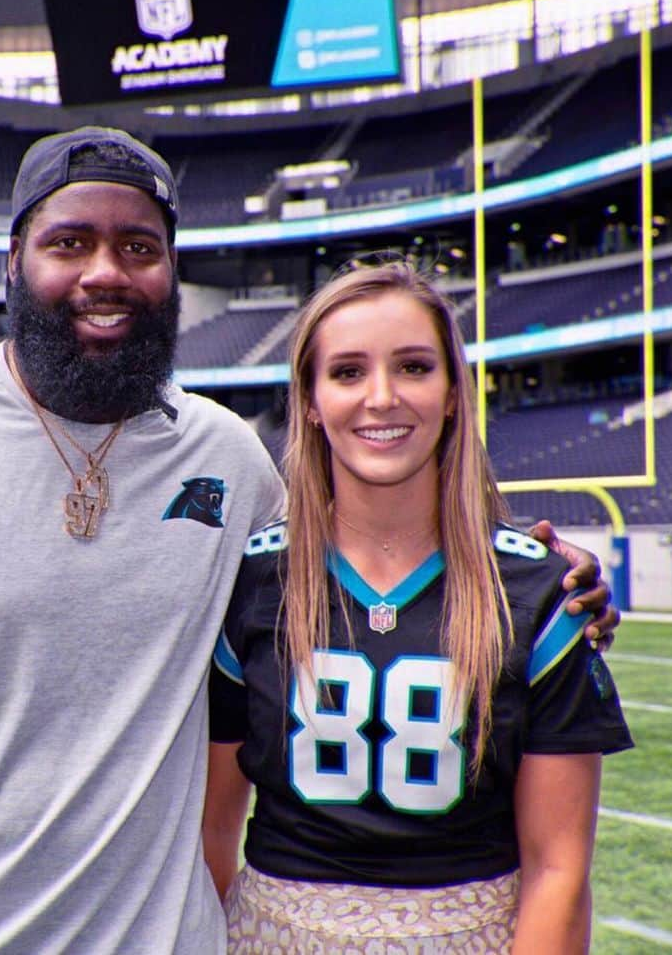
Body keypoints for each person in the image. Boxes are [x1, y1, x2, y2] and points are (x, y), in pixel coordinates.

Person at [0, 128, 617, 954]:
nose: (105, 273)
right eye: (70, 242)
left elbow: (353, 536)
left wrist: (534, 570)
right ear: (12, 261)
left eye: (139, 248)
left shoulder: (227, 458)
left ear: (171, 269)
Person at [203, 261, 633, 953]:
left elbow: (559, 868)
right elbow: (211, 833)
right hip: (273, 934)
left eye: (413, 366)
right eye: (346, 372)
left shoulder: (538, 594)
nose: (381, 397)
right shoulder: (252, 580)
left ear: (454, 392)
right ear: (309, 400)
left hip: (471, 933)